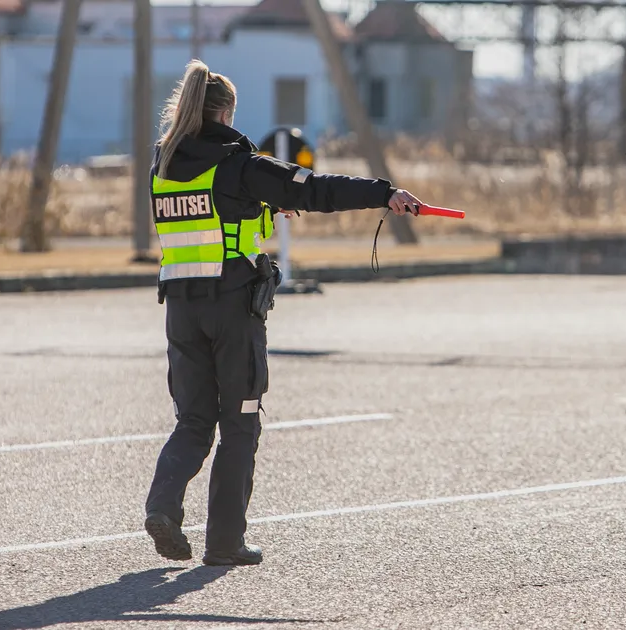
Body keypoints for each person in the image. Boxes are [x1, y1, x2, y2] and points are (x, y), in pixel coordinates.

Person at [143, 59, 424, 567]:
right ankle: (224, 543)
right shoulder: (239, 162)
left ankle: (162, 507)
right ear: (226, 112)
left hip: (181, 308)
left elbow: (206, 217)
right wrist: (384, 192)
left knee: (194, 420)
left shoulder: (162, 162)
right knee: (241, 420)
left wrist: (264, 208)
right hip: (232, 308)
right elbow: (315, 188)